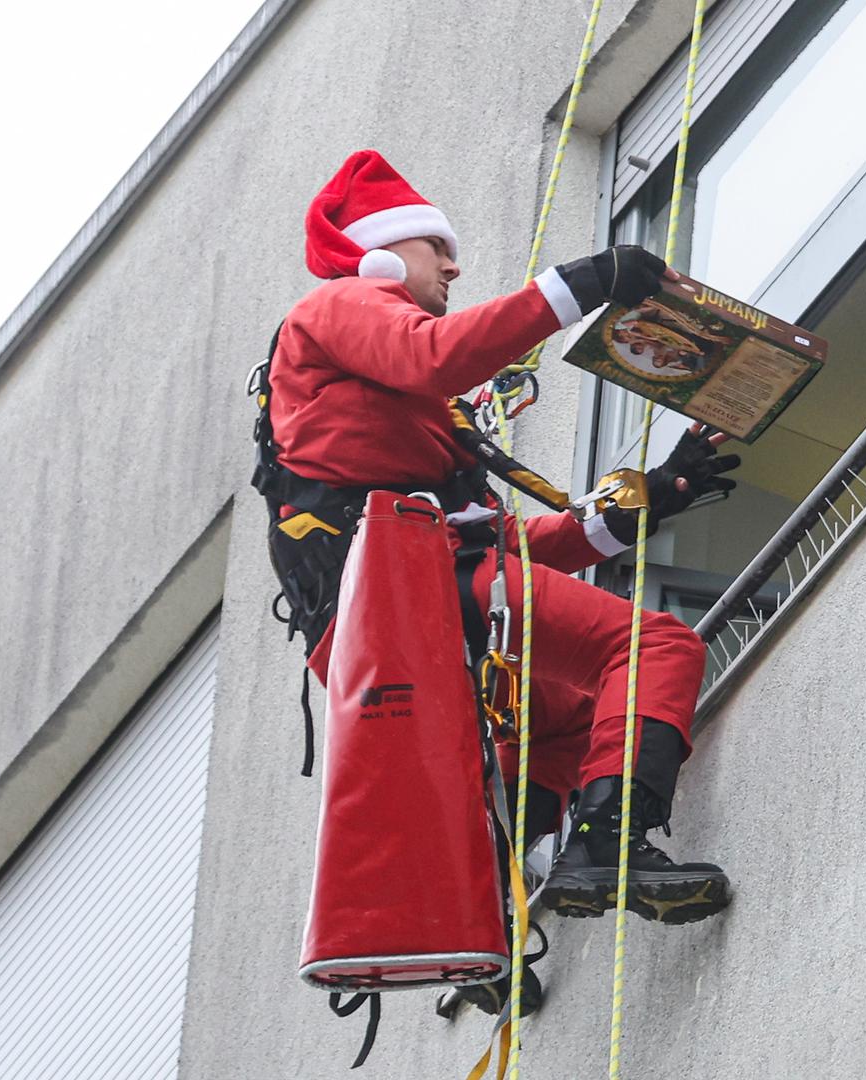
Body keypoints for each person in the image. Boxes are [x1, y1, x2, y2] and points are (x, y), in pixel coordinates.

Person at [261, 150, 740, 944]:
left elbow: (510, 547)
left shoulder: (395, 422)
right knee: (653, 642)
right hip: (405, 587)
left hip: (405, 596)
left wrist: (657, 495)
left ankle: (495, 883)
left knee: (569, 718)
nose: (454, 263)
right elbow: (437, 354)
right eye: (433, 245)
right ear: (376, 252)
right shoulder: (337, 306)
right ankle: (609, 843)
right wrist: (584, 282)